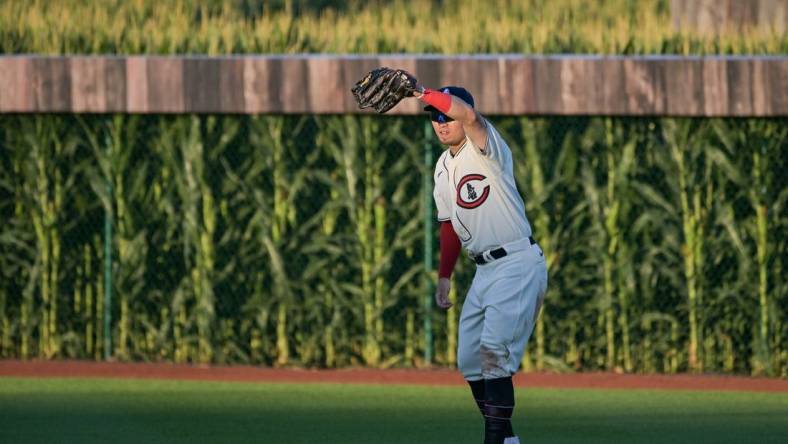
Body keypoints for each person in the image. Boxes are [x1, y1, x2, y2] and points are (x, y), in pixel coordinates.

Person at [412, 84, 548, 444]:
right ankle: (508, 441)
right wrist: (444, 276)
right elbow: (449, 225)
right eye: (435, 118)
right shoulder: (443, 166)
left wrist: (423, 91)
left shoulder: (486, 146)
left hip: (516, 262)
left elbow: (470, 117)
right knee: (471, 361)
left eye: (446, 115)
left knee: (493, 355)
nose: (441, 123)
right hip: (484, 271)